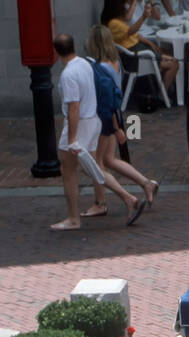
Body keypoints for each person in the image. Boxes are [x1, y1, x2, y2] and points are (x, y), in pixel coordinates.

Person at [50, 33, 142, 232]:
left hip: (80, 124)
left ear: (56, 52)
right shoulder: (85, 63)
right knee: (94, 167)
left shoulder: (68, 75)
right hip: (94, 122)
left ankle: (74, 218)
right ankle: (128, 198)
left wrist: (72, 138)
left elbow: (74, 107)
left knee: (68, 172)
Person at [83, 26, 160, 218]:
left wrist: (115, 128)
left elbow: (106, 99)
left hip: (105, 118)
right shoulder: (115, 62)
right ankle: (145, 183)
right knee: (109, 160)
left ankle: (103, 203)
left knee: (96, 163)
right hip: (114, 115)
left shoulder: (99, 68)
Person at [101, 0, 180, 92]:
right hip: (136, 59)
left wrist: (150, 43)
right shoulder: (114, 23)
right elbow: (131, 31)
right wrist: (143, 17)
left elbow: (135, 35)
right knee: (174, 63)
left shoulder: (117, 22)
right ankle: (163, 94)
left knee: (169, 55)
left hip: (139, 53)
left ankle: (163, 88)